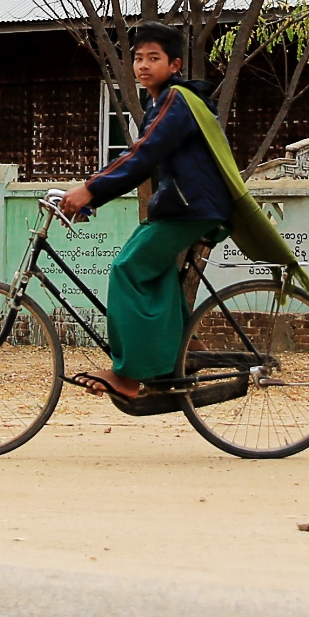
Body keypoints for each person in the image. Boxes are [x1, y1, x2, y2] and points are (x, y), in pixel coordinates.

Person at [59, 23, 231, 401]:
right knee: (156, 274)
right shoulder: (160, 102)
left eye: (154, 58)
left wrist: (91, 189)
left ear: (175, 64)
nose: (143, 65)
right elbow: (144, 158)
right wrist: (95, 194)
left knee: (128, 270)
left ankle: (128, 375)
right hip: (181, 206)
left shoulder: (176, 99)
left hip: (193, 207)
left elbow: (143, 154)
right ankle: (189, 349)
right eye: (138, 58)